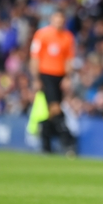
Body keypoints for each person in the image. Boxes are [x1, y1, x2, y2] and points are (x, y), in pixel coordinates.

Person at [29, 10, 77, 155]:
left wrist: (68, 78)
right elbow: (35, 57)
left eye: (61, 20)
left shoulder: (68, 37)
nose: (59, 23)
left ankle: (46, 145)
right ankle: (68, 141)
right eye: (56, 19)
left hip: (60, 76)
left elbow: (69, 59)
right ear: (51, 20)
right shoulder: (42, 35)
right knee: (55, 108)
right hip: (46, 75)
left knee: (51, 112)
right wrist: (36, 79)